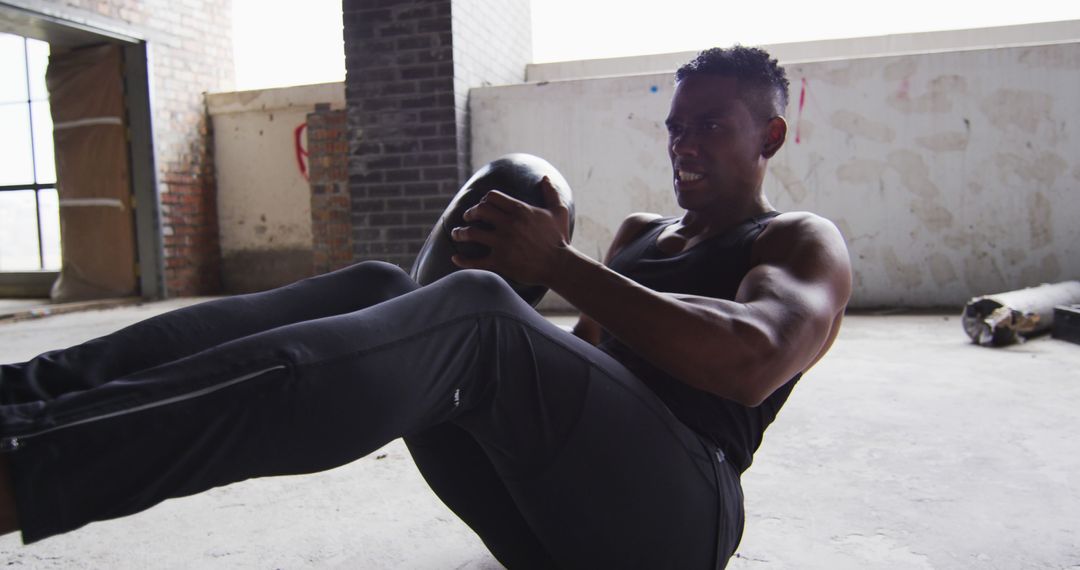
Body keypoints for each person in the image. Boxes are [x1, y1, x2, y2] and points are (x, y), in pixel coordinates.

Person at [0, 45, 851, 569]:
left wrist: (553, 267)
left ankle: (30, 471)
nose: (683, 143)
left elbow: (749, 362)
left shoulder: (799, 242)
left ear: (769, 137)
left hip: (677, 530)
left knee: (474, 313)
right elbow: (585, 383)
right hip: (551, 526)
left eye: (710, 125)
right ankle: (28, 393)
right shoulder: (641, 233)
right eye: (674, 126)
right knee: (385, 288)